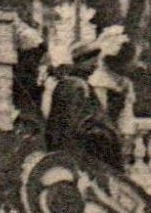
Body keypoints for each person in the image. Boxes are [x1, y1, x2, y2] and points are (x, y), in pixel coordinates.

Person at [43, 40, 123, 170]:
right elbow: (76, 122)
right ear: (80, 61)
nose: (95, 66)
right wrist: (104, 132)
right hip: (78, 151)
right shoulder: (76, 85)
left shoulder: (72, 84)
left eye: (96, 61)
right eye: (92, 61)